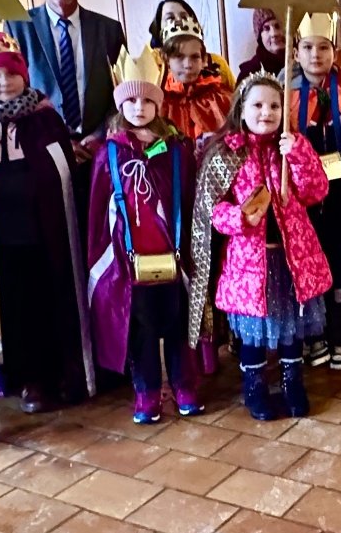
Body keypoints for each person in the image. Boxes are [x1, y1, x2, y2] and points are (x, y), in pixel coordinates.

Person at [0, 32, 93, 413]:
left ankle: (55, 375)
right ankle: (22, 378)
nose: (3, 82)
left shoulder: (44, 118)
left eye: (10, 74)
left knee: (45, 302)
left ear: (24, 75)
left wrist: (1, 186)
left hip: (41, 230)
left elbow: (57, 174)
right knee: (12, 307)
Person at [191, 75, 333, 420]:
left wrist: (297, 155)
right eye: (258, 105)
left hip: (291, 257)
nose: (266, 113)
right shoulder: (227, 153)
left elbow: (316, 190)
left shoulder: (292, 146)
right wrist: (239, 218)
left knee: (290, 326)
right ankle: (254, 388)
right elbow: (210, 209)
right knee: (254, 332)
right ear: (242, 107)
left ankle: (292, 383)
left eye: (274, 106)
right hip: (247, 262)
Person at [86, 52, 203, 425]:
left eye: (148, 100)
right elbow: (98, 213)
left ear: (159, 103)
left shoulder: (176, 150)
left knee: (176, 322)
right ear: (121, 103)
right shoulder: (110, 153)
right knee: (141, 329)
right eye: (132, 100)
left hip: (171, 254)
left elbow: (187, 197)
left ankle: (184, 385)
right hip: (130, 260)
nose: (140, 107)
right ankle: (147, 391)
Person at [286, 14, 341, 370]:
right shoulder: (286, 98)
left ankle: (340, 337)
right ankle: (313, 335)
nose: (316, 55)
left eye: (323, 47)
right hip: (303, 200)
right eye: (308, 47)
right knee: (308, 264)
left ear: (335, 51)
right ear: (296, 51)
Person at [5, 0, 126, 156]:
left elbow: (123, 91)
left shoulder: (109, 30)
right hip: (43, 151)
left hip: (100, 150)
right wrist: (56, 140)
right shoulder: (18, 28)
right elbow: (13, 96)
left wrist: (100, 135)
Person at [159, 11, 234, 142]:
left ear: (204, 60)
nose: (188, 65)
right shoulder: (160, 102)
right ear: (166, 60)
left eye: (195, 57)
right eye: (179, 57)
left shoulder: (220, 99)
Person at [146, 0, 235, 88]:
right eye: (170, 18)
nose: (178, 21)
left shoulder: (216, 62)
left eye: (184, 17)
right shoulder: (150, 65)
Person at [238, 8, 290, 82]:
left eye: (278, 26)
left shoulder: (302, 65)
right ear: (260, 37)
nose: (274, 34)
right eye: (266, 28)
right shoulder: (249, 74)